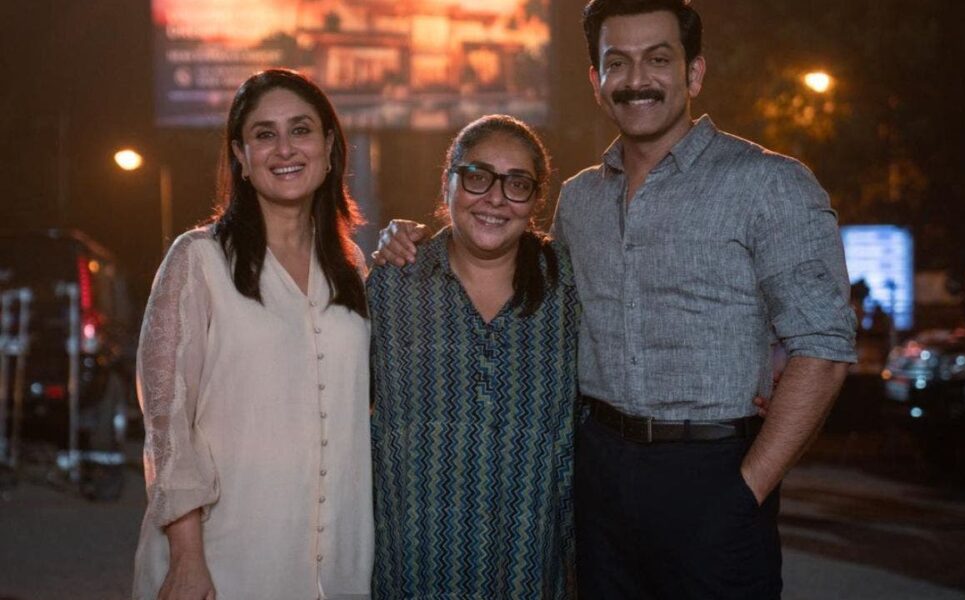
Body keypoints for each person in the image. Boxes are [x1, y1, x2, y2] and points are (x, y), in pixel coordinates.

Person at [374, 0, 857, 597]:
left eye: (658, 59)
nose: (636, 80)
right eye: (618, 63)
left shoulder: (767, 183)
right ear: (596, 81)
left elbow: (824, 347)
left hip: (713, 472)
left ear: (694, 73)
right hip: (596, 477)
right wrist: (400, 239)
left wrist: (746, 490)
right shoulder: (580, 200)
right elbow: (520, 281)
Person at [132, 68, 373, 600]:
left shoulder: (353, 268)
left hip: (339, 564)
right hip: (224, 558)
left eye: (301, 130)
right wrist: (187, 557)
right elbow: (167, 422)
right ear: (241, 156)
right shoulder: (198, 260)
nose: (284, 148)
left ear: (329, 147)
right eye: (265, 134)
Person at [367, 115, 578, 599]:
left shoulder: (566, 285)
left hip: (529, 563)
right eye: (478, 177)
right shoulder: (395, 282)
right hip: (414, 562)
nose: (496, 198)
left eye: (517, 184)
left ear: (536, 200)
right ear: (448, 183)